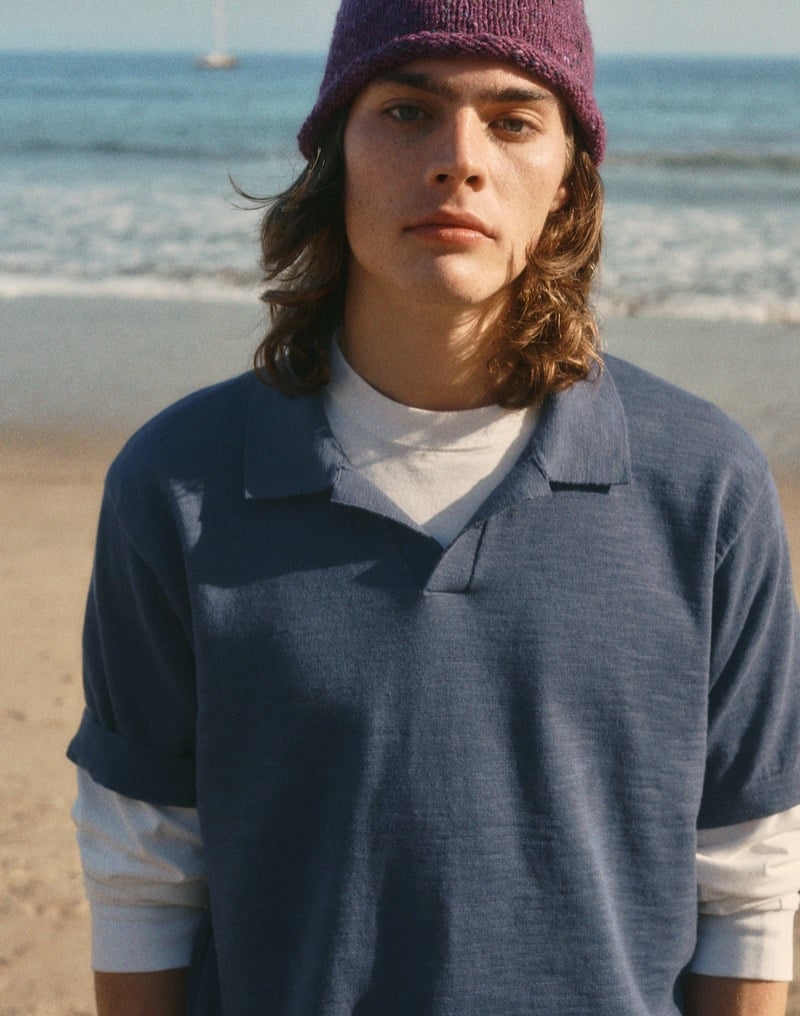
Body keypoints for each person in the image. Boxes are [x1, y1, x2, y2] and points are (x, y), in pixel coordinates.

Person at [68, 1, 800, 1013]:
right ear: (335, 152)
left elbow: (748, 871)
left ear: (568, 178)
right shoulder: (177, 482)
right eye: (407, 111)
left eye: (513, 119)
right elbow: (142, 866)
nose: (459, 160)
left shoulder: (704, 484)